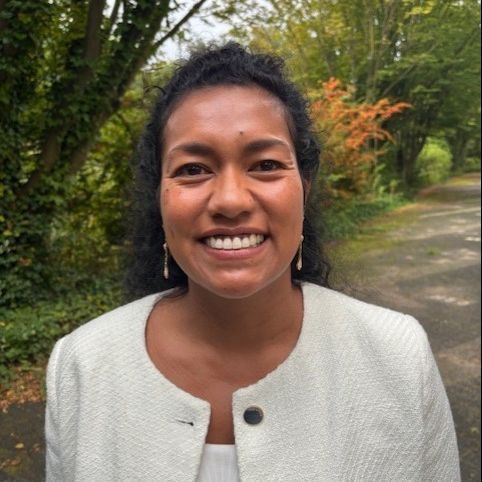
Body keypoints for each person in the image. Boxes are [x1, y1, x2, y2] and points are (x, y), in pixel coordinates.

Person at [45, 42, 460, 481]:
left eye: (265, 164)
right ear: (159, 198)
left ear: (304, 189)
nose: (230, 200)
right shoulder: (82, 366)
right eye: (193, 169)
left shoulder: (398, 356)